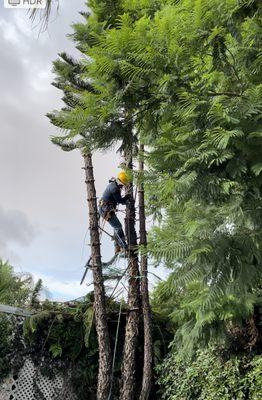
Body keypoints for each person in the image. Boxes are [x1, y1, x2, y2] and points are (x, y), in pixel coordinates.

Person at [99, 171, 131, 253]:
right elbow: (120, 201)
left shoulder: (114, 183)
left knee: (116, 227)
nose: (123, 186)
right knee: (118, 227)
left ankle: (117, 247)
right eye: (123, 184)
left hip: (105, 208)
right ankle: (123, 246)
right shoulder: (115, 188)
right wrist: (127, 198)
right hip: (106, 210)